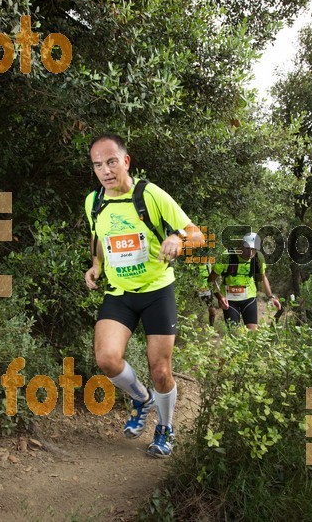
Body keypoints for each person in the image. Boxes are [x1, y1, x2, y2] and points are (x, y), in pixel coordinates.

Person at [84, 133, 202, 458]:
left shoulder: (149, 195)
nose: (105, 170)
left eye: (111, 161)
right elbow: (97, 237)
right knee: (107, 358)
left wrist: (179, 240)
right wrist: (95, 264)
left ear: (125, 161)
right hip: (120, 293)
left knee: (161, 370)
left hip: (157, 292)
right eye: (97, 165)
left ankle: (165, 426)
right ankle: (141, 399)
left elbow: (197, 234)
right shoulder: (94, 202)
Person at [209, 232, 281, 330]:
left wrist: (271, 297)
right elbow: (211, 280)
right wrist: (220, 297)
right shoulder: (227, 257)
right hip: (229, 301)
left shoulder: (258, 259)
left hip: (249, 298)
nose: (250, 253)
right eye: (247, 248)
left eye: (253, 250)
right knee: (234, 334)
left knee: (253, 334)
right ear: (241, 246)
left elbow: (263, 278)